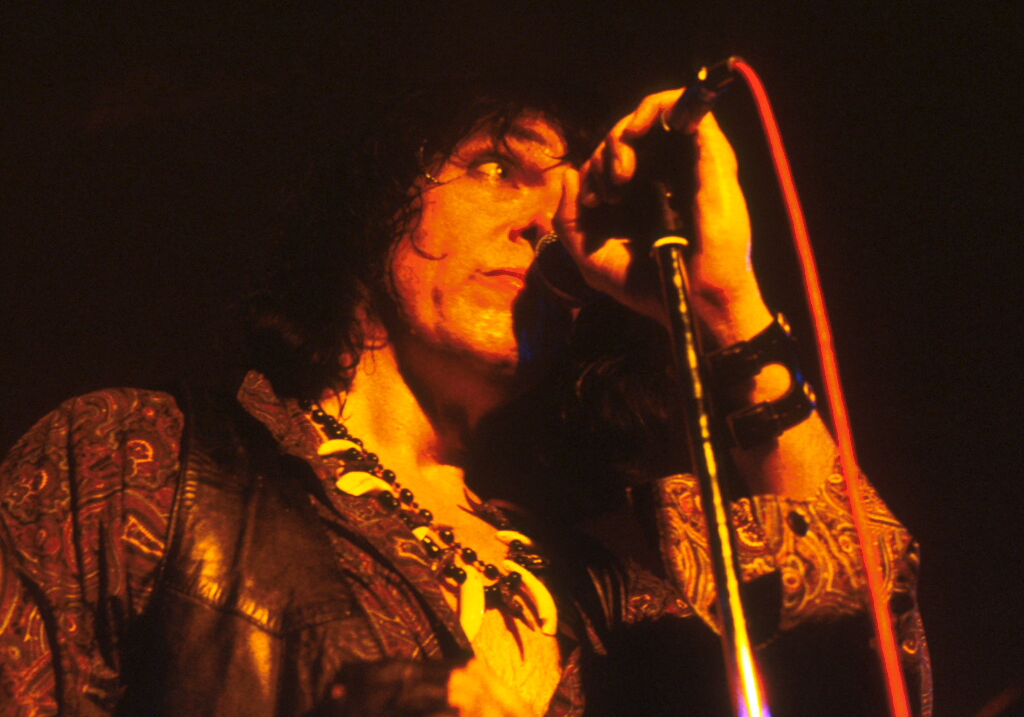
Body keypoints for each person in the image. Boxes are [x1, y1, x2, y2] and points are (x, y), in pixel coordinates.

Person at [0, 78, 930, 716]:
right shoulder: (140, 458)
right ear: (376, 211)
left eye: (565, 203)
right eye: (495, 168)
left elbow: (872, 656)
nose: (543, 223)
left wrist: (729, 305)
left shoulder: (626, 572)